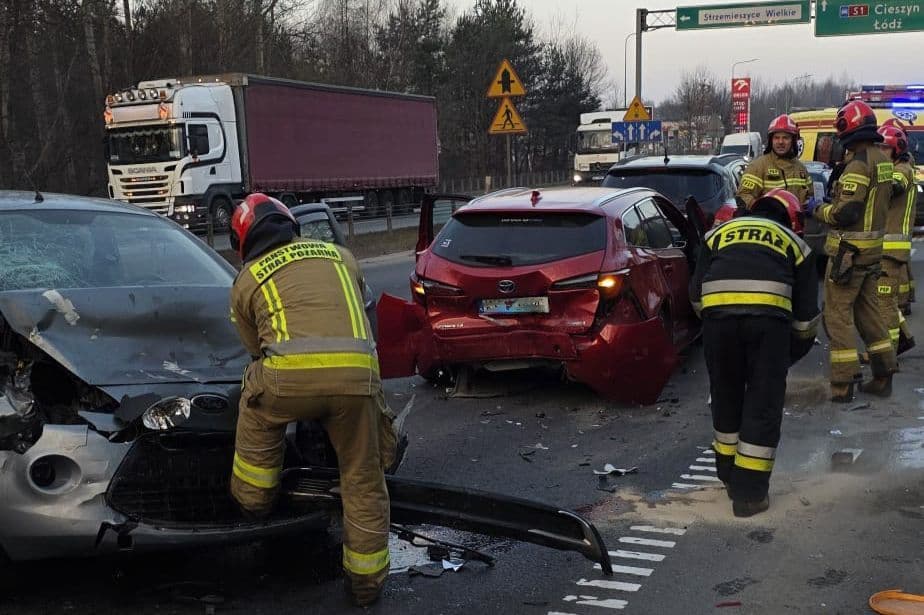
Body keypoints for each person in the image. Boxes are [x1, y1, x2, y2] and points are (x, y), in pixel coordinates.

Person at [228, 193, 396, 607]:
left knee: (255, 391)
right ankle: (365, 585)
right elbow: (358, 306)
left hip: (290, 384)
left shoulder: (247, 279)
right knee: (363, 478)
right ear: (290, 225)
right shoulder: (342, 256)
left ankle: (254, 498)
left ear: (244, 242)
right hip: (357, 381)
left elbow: (254, 348)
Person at [690, 189, 819, 518]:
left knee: (726, 395)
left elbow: (695, 293)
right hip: (768, 326)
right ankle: (749, 496)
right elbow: (805, 318)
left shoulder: (717, 234)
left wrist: (717, 323)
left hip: (718, 324)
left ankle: (730, 477)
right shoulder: (795, 243)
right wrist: (785, 357)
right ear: (790, 219)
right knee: (763, 402)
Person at [812, 101, 897, 402]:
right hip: (872, 253)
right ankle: (884, 374)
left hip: (849, 254)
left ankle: (842, 383)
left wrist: (819, 210)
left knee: (836, 316)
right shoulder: (882, 159)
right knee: (869, 314)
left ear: (848, 127)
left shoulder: (859, 162)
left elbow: (847, 212)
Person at [876, 124, 916, 355]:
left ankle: (887, 353)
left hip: (890, 248)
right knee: (882, 300)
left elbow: (894, 185)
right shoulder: (895, 166)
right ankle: (903, 338)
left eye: (885, 148)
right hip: (884, 247)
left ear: (896, 150)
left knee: (885, 303)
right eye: (878, 147)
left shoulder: (902, 169)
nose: (881, 152)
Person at [736, 115, 813, 210]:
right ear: (771, 140)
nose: (780, 142)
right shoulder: (757, 167)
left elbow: (810, 197)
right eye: (776, 138)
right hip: (768, 223)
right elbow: (743, 195)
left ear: (793, 141)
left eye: (785, 138)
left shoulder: (801, 169)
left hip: (796, 224)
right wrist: (761, 209)